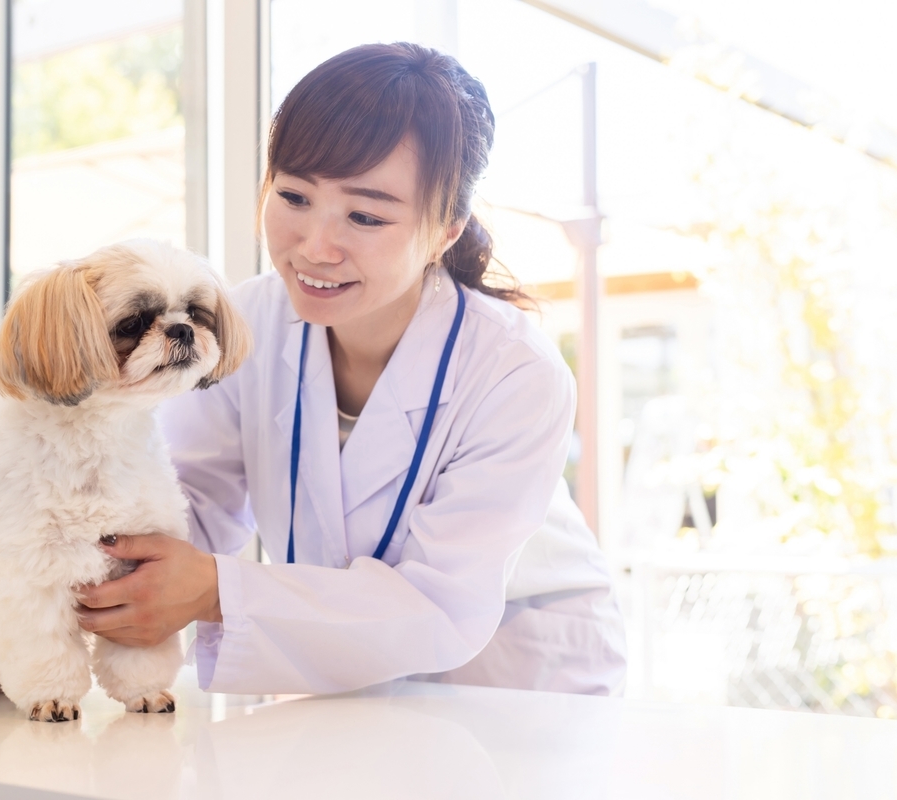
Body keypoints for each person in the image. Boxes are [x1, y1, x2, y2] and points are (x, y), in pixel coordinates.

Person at [75, 42, 627, 696]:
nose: (316, 247)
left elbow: (444, 604)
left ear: (447, 228)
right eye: (294, 196)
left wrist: (217, 591)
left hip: (520, 680)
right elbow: (184, 504)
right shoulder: (244, 320)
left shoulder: (515, 372)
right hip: (343, 679)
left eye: (365, 215)